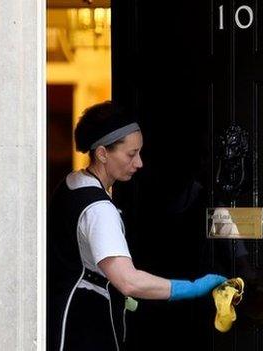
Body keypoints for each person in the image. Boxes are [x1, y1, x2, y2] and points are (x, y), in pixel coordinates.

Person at [47, 101, 227, 350]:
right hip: (84, 325)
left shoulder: (71, 183)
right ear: (102, 153)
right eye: (131, 154)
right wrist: (193, 288)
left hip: (64, 315)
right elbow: (128, 281)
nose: (139, 163)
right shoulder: (99, 209)